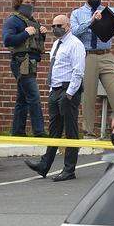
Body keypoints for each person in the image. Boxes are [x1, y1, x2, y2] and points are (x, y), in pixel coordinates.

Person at [25, 14, 86, 182]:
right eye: (53, 26)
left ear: (68, 26)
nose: (56, 28)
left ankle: (69, 169)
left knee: (70, 131)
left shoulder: (75, 44)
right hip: (56, 90)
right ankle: (44, 165)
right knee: (54, 130)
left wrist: (69, 94)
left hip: (68, 91)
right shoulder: (56, 44)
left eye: (59, 25)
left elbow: (78, 71)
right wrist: (52, 90)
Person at [71, 0, 114, 136]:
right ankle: (88, 132)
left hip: (106, 55)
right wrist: (91, 21)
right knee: (88, 96)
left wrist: (105, 13)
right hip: (88, 56)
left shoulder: (105, 10)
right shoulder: (77, 13)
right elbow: (74, 32)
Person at [2, 0, 47, 137]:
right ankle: (39, 132)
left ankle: (18, 131)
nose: (30, 5)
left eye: (32, 3)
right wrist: (25, 33)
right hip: (21, 62)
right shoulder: (13, 20)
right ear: (19, 3)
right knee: (34, 96)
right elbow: (7, 40)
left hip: (31, 62)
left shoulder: (33, 21)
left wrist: (42, 34)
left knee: (22, 98)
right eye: (27, 2)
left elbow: (36, 43)